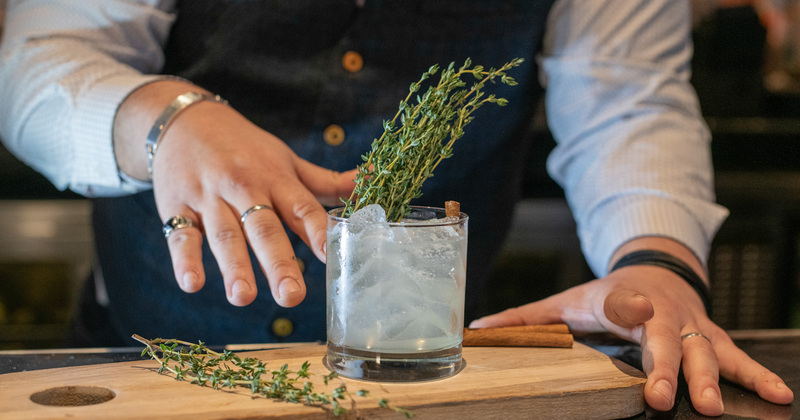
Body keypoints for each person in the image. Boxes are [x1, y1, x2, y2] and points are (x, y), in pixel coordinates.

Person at [0, 0, 793, 416]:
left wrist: (655, 260)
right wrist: (162, 118)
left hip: (433, 391)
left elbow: (628, 98)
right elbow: (35, 59)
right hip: (145, 371)